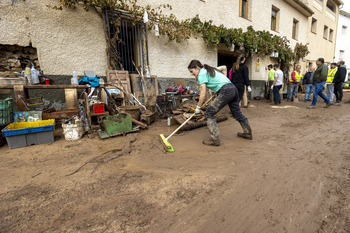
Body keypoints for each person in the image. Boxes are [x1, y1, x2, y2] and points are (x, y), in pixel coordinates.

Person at [188, 60, 252, 146]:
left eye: (191, 71)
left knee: (208, 113)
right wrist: (222, 84)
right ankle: (247, 133)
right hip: (233, 88)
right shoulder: (209, 70)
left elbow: (203, 93)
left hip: (226, 91)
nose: (191, 74)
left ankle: (214, 139)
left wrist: (198, 107)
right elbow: (224, 68)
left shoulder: (201, 74)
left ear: (196, 68)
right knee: (237, 113)